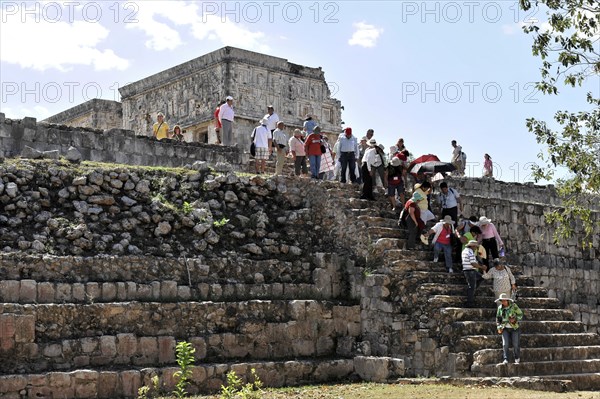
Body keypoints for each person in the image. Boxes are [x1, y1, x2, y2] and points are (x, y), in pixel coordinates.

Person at [495, 293, 523, 364]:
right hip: (504, 328)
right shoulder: (500, 308)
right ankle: (506, 358)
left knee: (516, 344)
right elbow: (498, 318)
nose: (503, 302)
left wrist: (515, 319)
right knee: (505, 344)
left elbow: (520, 314)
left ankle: (517, 357)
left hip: (514, 328)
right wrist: (499, 327)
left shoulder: (514, 306)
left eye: (505, 300)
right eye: (502, 301)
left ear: (507, 300)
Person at [462, 240, 487, 308]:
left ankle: (472, 294)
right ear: (472, 246)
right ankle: (469, 303)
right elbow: (473, 263)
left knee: (482, 278)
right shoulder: (470, 252)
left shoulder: (465, 250)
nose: (476, 248)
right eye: (475, 247)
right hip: (470, 271)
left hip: (470, 270)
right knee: (471, 287)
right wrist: (482, 267)